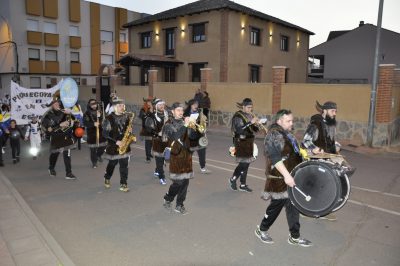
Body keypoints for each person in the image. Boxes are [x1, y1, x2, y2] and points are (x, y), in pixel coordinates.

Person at [255, 109, 312, 247]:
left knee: (293, 206)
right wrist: (287, 176)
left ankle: (295, 236)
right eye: (288, 121)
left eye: (292, 120)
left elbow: (294, 152)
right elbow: (275, 158)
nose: (292, 123)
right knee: (276, 206)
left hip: (290, 175)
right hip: (279, 178)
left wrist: (310, 152)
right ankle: (261, 229)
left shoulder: (286, 134)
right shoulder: (274, 135)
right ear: (279, 121)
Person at [301, 100, 355, 221]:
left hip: (328, 158)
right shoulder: (316, 124)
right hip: (317, 161)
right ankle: (307, 210)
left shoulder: (330, 124)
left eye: (335, 111)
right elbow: (305, 141)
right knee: (315, 188)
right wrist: (314, 149)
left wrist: (336, 145)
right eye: (332, 111)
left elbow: (329, 141)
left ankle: (324, 210)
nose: (334, 113)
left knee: (328, 186)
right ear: (324, 111)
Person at [162, 102, 193, 215]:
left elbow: (191, 138)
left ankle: (180, 204)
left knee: (185, 182)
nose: (181, 112)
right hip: (175, 156)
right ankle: (168, 197)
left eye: (182, 110)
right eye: (178, 110)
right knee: (178, 182)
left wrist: (196, 130)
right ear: (173, 111)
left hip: (187, 156)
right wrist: (185, 125)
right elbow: (175, 136)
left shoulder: (186, 122)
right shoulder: (168, 124)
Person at [41, 91, 77, 179]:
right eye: (55, 103)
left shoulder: (64, 111)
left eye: (58, 103)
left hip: (66, 136)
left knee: (67, 155)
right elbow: (48, 131)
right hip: (56, 137)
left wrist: (70, 114)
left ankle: (68, 173)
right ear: (51, 105)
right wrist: (59, 125)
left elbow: (74, 120)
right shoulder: (48, 116)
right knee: (55, 155)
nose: (57, 104)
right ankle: (51, 167)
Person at [102, 97, 134, 192]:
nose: (122, 107)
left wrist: (129, 132)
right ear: (114, 107)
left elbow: (127, 129)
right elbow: (105, 134)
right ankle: (107, 177)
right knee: (112, 163)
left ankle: (123, 183)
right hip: (113, 145)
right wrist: (116, 141)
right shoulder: (108, 119)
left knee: (124, 165)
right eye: (120, 105)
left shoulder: (126, 117)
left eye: (123, 105)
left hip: (124, 144)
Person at [229, 98, 259, 192]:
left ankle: (242, 184)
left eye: (251, 107)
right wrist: (250, 122)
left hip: (249, 140)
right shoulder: (238, 116)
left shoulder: (249, 115)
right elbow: (239, 130)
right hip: (240, 141)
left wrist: (257, 124)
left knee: (246, 163)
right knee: (243, 163)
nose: (250, 109)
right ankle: (233, 179)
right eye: (249, 107)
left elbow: (254, 130)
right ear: (243, 107)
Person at [144, 98, 168, 185]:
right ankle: (162, 177)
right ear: (156, 106)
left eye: (163, 104)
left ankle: (157, 170)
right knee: (159, 159)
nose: (162, 106)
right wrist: (157, 133)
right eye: (160, 105)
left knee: (165, 158)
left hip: (166, 141)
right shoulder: (152, 116)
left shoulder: (166, 114)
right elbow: (148, 129)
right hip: (157, 141)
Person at [183, 99, 211, 174]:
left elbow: (203, 124)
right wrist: (191, 122)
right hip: (190, 137)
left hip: (199, 136)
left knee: (202, 153)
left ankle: (203, 168)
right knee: (189, 154)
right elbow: (184, 126)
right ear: (190, 105)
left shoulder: (200, 113)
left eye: (197, 104)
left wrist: (204, 127)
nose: (196, 106)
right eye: (194, 104)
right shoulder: (185, 114)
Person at [83, 99, 107, 168]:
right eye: (92, 104)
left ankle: (98, 155)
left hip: (101, 132)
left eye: (95, 104)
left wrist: (100, 117)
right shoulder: (87, 113)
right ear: (89, 105)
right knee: (93, 149)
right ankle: (94, 162)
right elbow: (85, 123)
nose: (94, 105)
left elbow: (104, 120)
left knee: (103, 146)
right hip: (92, 133)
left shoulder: (100, 111)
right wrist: (93, 123)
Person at [139, 97, 154, 163]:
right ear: (146, 102)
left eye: (151, 102)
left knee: (151, 143)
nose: (149, 103)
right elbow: (143, 117)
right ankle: (148, 157)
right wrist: (149, 112)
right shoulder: (143, 109)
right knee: (148, 143)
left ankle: (150, 154)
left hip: (154, 129)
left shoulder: (155, 108)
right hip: (147, 129)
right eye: (148, 102)